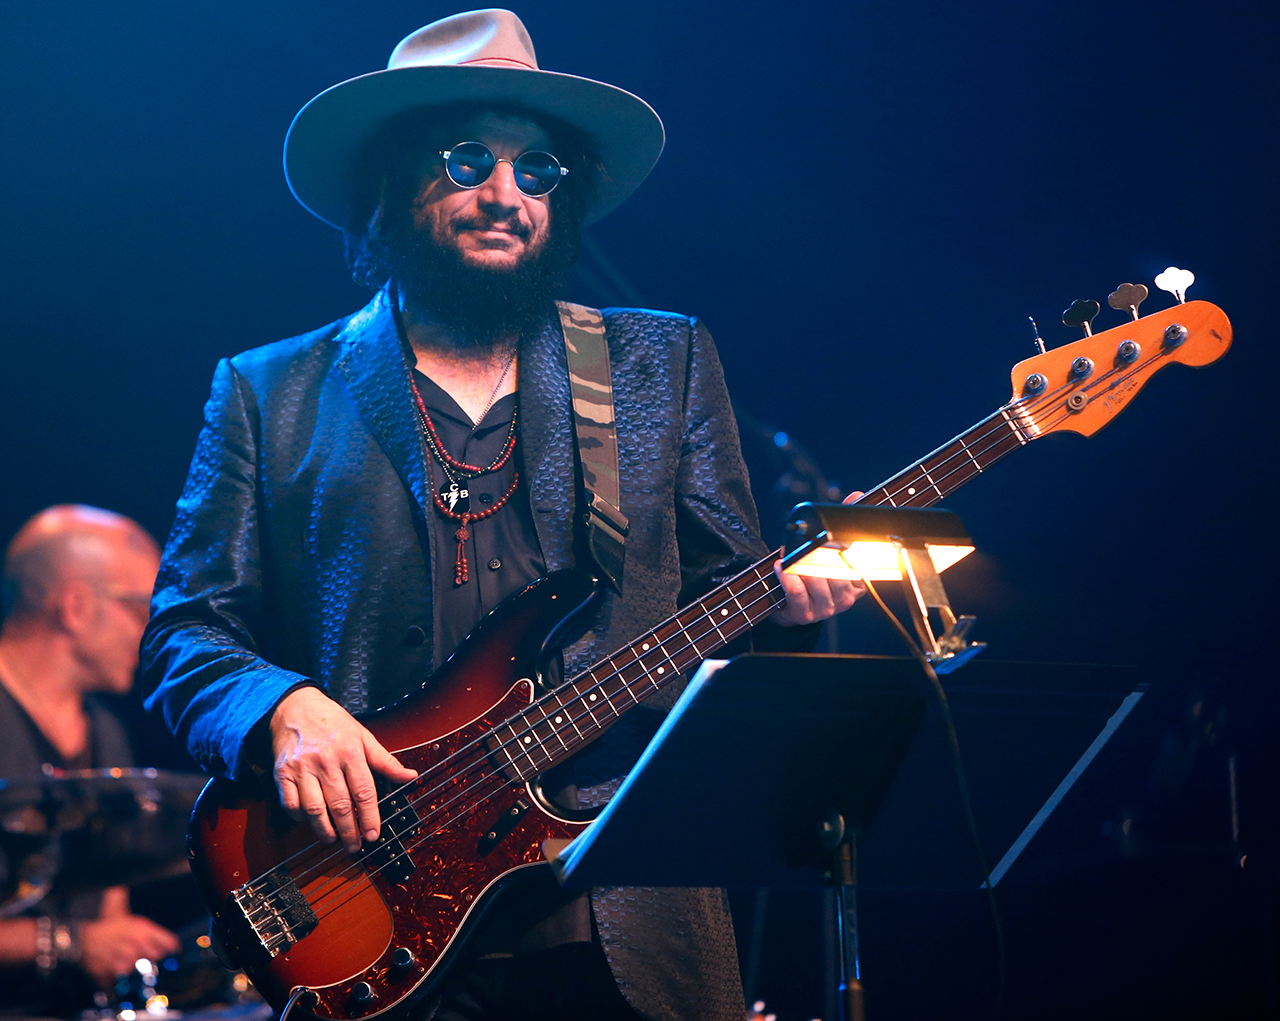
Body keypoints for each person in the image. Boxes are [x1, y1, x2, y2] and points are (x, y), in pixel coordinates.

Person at [141, 11, 862, 1020]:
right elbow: (185, 632)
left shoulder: (660, 362)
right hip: (373, 913)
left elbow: (718, 610)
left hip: (626, 930)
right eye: (469, 158)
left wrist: (793, 608)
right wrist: (278, 709)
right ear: (393, 182)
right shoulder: (272, 391)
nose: (505, 195)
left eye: (537, 171)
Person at [0, 505, 180, 1014]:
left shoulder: (108, 733)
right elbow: (90, 938)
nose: (150, 636)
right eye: (141, 611)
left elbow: (111, 904)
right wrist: (73, 945)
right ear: (76, 605)